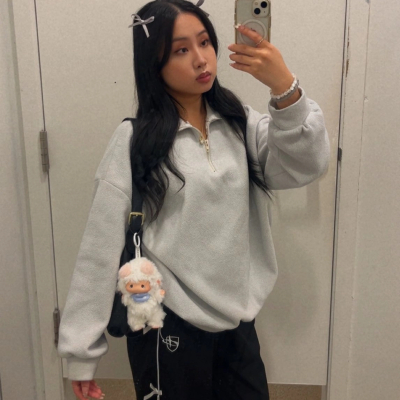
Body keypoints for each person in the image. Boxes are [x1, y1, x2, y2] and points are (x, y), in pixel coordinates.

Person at [57, 1, 330, 399]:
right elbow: (99, 247)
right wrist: (81, 351)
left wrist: (285, 89)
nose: (201, 59)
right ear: (154, 63)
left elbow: (308, 164)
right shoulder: (135, 140)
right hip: (166, 324)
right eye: (181, 50)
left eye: (205, 42)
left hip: (238, 325)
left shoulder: (241, 124)